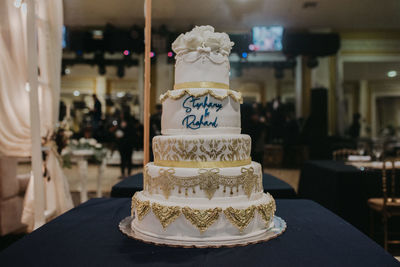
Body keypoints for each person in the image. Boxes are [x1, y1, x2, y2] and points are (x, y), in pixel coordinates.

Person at [115, 110, 135, 178]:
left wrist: (124, 132)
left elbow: (132, 132)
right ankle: (122, 173)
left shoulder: (130, 122)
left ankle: (129, 173)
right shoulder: (120, 121)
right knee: (122, 159)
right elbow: (118, 129)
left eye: (122, 114)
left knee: (129, 159)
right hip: (121, 143)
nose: (121, 115)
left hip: (129, 143)